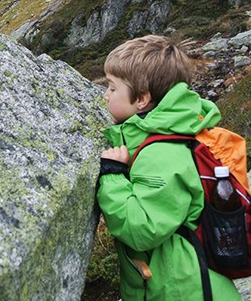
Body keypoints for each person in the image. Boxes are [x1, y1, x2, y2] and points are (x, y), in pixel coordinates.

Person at [96, 35, 241, 300]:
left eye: (112, 87)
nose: (105, 94)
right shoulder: (166, 134)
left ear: (141, 99)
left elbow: (141, 230)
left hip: (181, 288)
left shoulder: (161, 153)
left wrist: (113, 176)